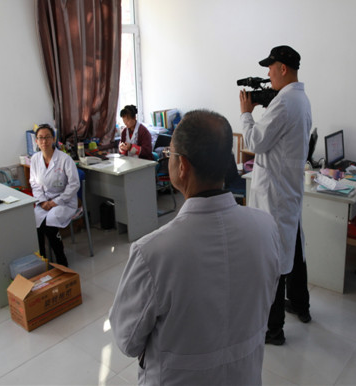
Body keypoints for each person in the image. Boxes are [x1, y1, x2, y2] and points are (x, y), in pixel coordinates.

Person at [109, 110, 280, 386]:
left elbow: (126, 340)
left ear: (183, 167)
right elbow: (264, 300)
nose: (168, 158)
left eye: (170, 154)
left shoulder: (152, 253)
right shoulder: (266, 228)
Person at [240, 45, 312, 345]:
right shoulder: (300, 98)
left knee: (273, 261)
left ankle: (273, 330)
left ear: (283, 68)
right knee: (292, 247)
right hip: (287, 189)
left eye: (271, 68)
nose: (268, 74)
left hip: (276, 194)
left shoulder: (284, 102)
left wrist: (246, 114)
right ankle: (300, 304)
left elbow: (255, 141)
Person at [29, 123, 79, 267]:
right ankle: (42, 260)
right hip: (44, 201)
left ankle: (61, 259)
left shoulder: (64, 159)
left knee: (50, 221)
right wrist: (42, 201)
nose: (44, 141)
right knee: (33, 221)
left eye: (47, 137)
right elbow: (34, 183)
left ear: (53, 139)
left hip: (65, 201)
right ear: (36, 141)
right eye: (40, 138)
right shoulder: (35, 159)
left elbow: (74, 184)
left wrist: (55, 202)